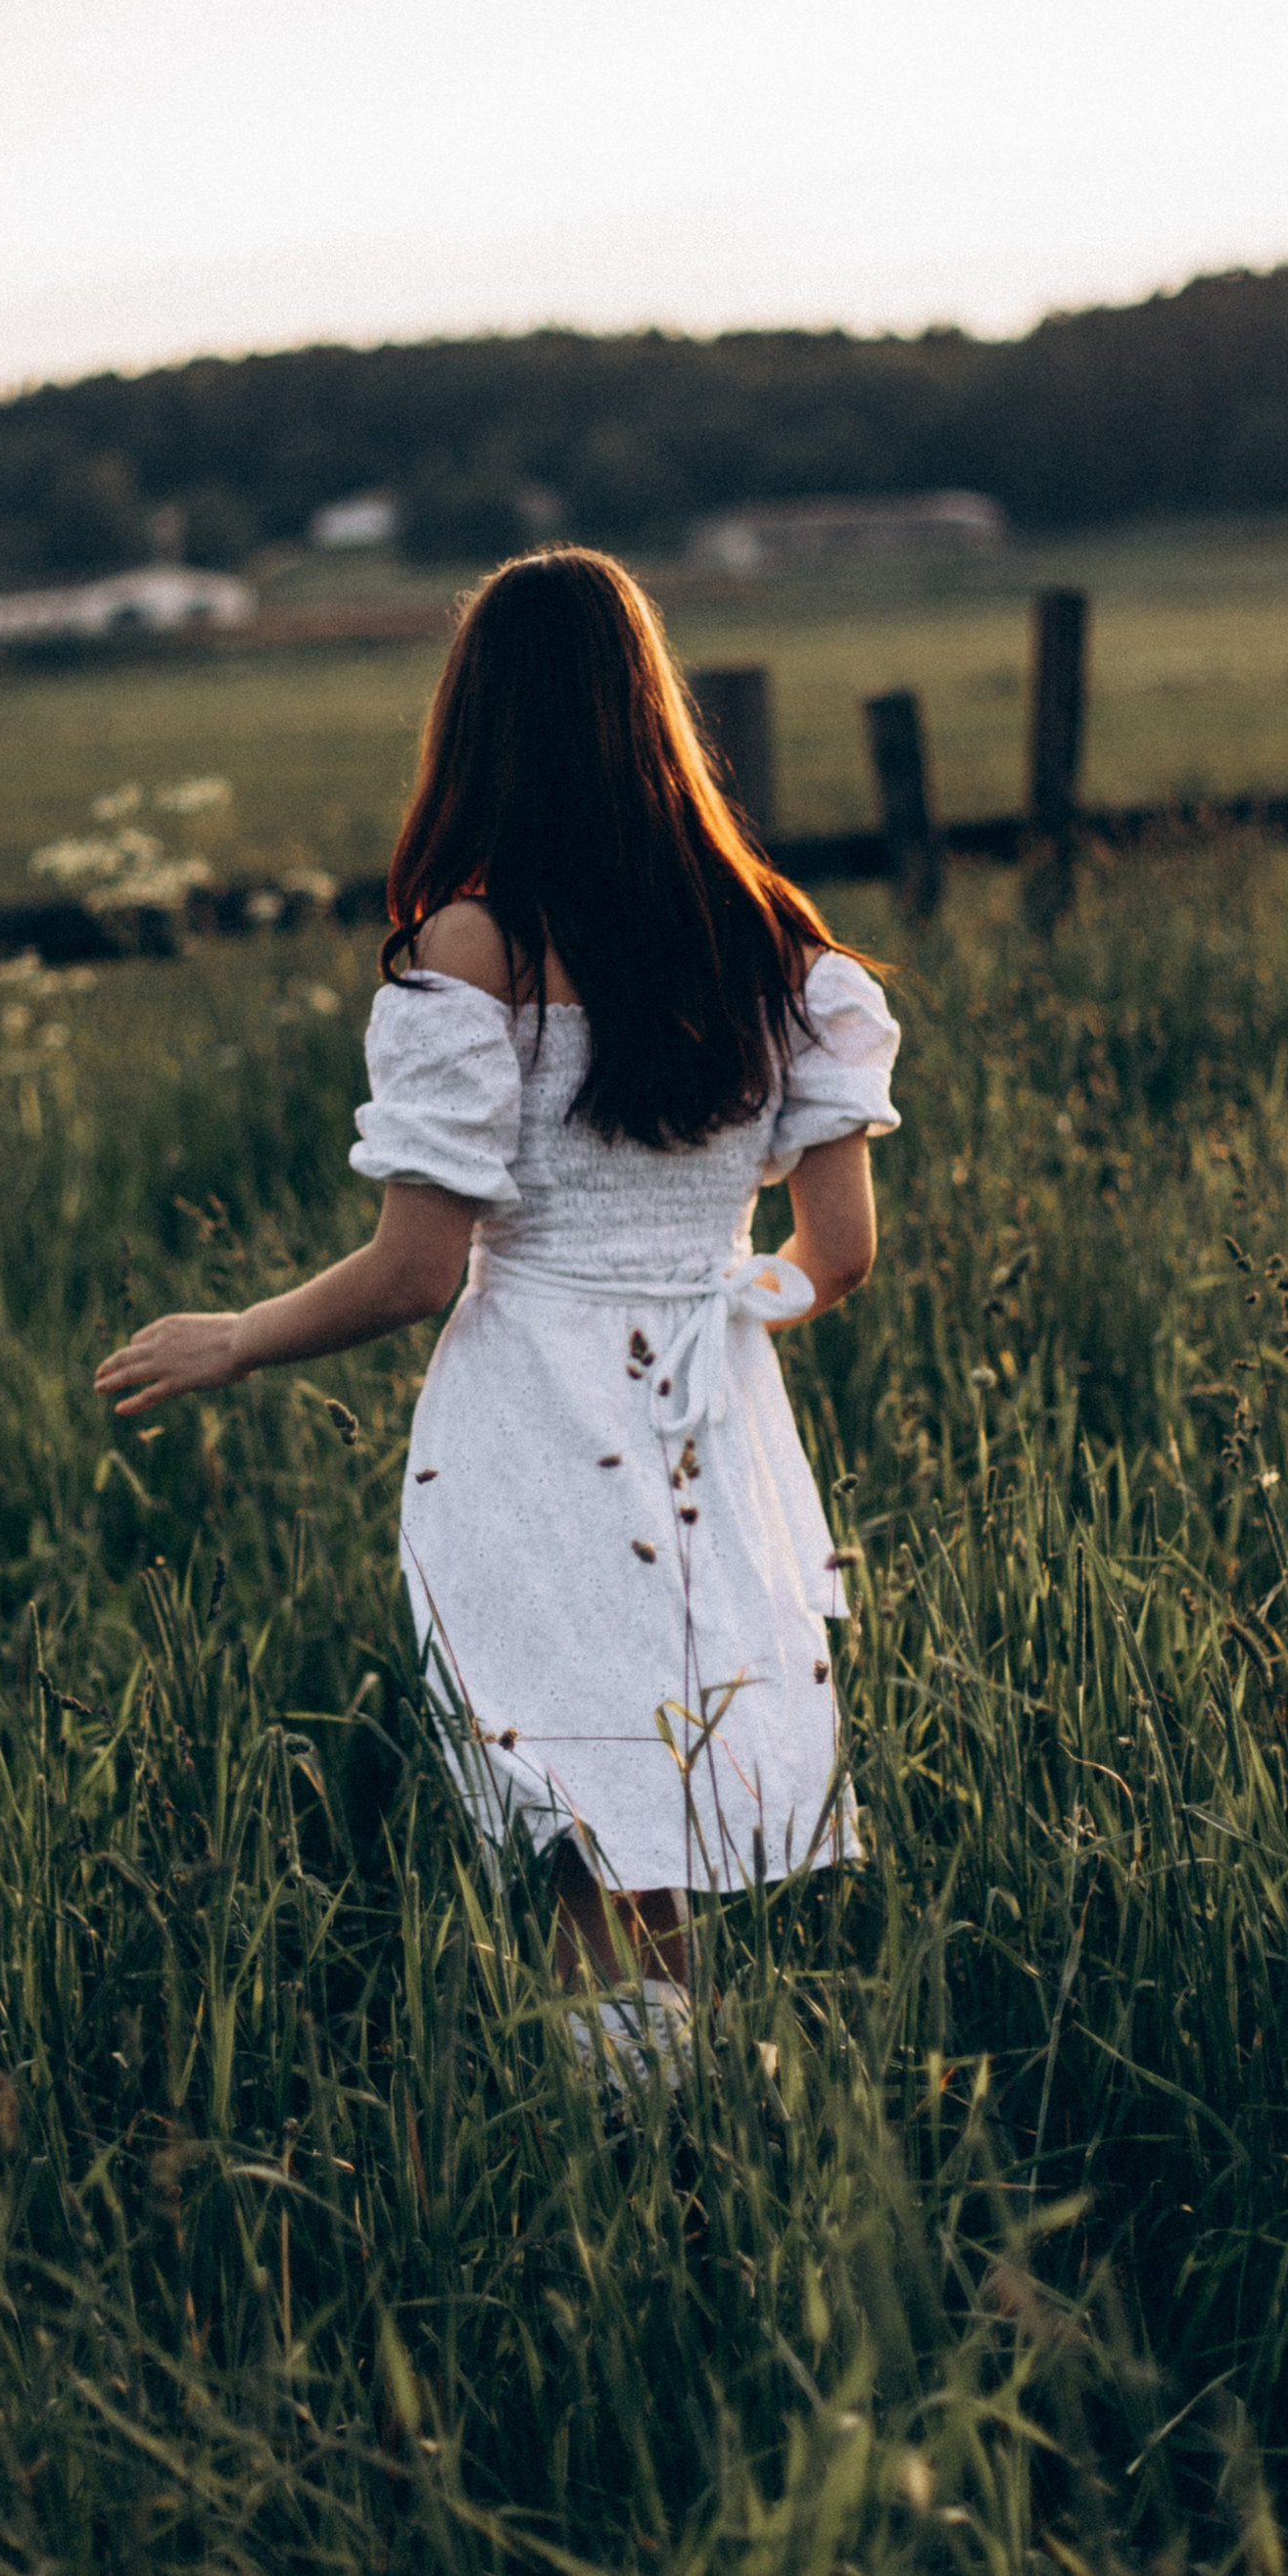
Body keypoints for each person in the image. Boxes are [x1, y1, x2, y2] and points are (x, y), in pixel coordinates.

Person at [95, 548, 901, 2077]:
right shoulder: (776, 941)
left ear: (481, 723)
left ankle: (638, 2131)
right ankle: (687, 2108)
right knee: (654, 1790)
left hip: (536, 1415)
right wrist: (706, 1315)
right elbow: (839, 1255)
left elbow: (416, 1269)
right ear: (652, 706)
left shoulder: (477, 948)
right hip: (711, 1412)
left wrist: (237, 1337)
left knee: (588, 1805)